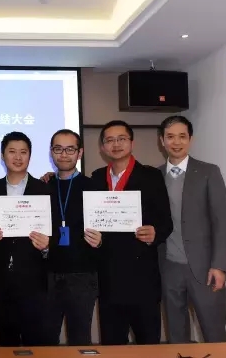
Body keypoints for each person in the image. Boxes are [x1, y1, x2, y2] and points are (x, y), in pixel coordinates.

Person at [91, 120, 173, 345]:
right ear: (102, 147)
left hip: (142, 278)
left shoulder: (151, 176)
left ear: (132, 143)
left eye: (121, 139)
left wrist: (155, 233)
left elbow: (166, 222)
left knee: (148, 345)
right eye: (109, 140)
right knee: (113, 346)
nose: (116, 144)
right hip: (109, 277)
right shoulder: (96, 178)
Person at [157, 115, 226, 343]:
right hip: (169, 267)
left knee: (214, 333)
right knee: (176, 336)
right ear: (162, 141)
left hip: (205, 267)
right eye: (170, 137)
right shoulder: (154, 175)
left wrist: (219, 265)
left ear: (191, 139)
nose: (176, 142)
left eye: (182, 136)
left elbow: (221, 221)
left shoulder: (209, 172)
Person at [0, 131, 51, 346]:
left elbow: (55, 228)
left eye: (23, 152)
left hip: (34, 280)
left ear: (30, 156)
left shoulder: (45, 189)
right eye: (12, 152)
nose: (18, 157)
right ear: (2, 155)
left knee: (35, 343)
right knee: (6, 343)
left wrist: (48, 245)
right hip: (0, 279)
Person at [45, 129, 99, 346]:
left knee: (80, 339)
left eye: (70, 149)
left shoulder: (93, 187)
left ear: (80, 153)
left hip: (82, 274)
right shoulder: (43, 187)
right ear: (51, 152)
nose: (64, 154)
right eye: (58, 149)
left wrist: (101, 239)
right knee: (46, 338)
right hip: (47, 274)